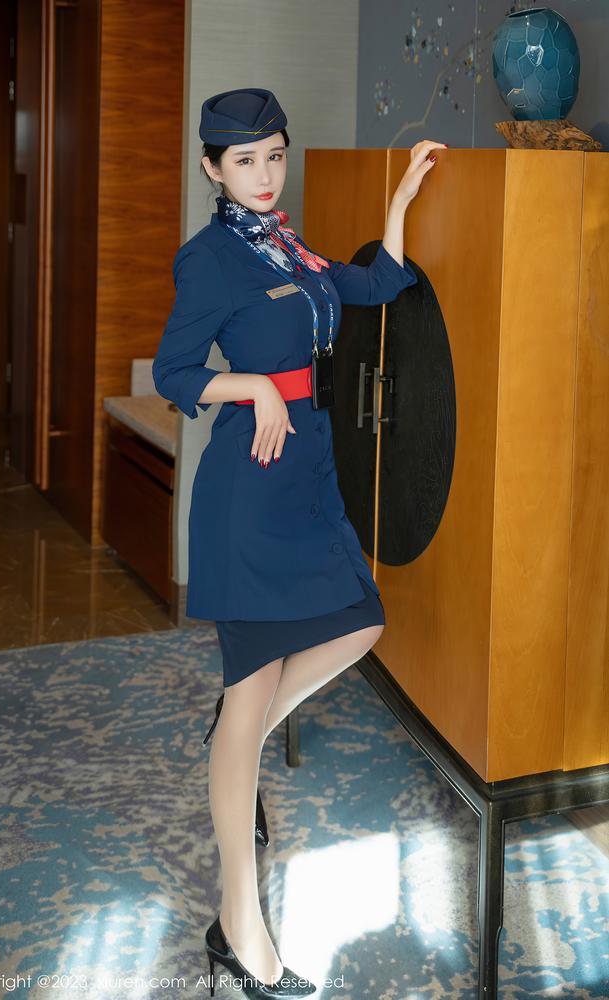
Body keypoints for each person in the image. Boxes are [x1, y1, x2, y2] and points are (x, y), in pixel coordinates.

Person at [152, 86, 445, 1000]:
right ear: (212, 169)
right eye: (245, 161)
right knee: (249, 690)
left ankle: (233, 744)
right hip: (249, 484)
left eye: (275, 155)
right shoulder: (208, 260)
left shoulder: (290, 245)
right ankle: (243, 933)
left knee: (361, 621)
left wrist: (399, 205)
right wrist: (251, 387)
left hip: (308, 474)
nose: (266, 174)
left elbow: (368, 288)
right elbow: (174, 372)